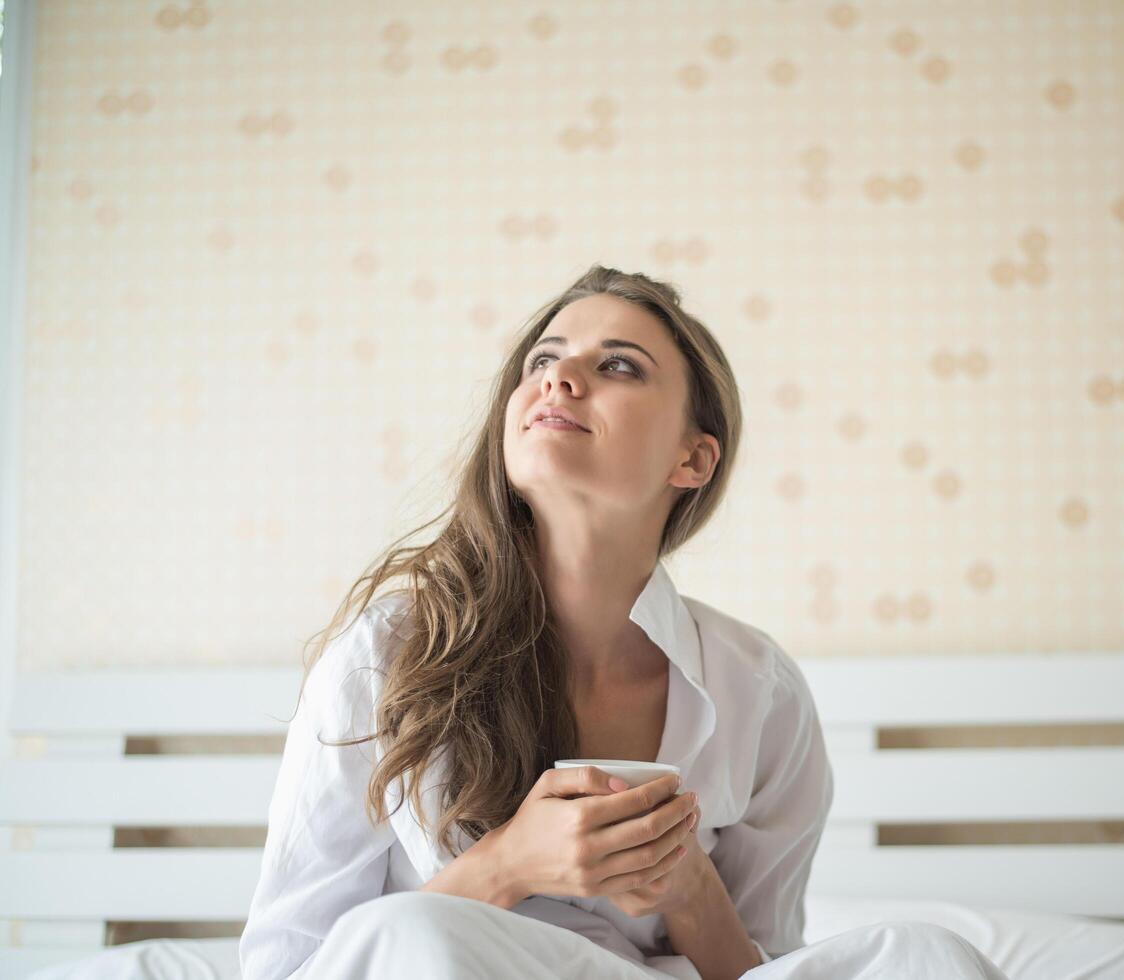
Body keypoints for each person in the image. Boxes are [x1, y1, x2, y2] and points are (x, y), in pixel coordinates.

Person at [237, 265, 1011, 979]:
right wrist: (508, 866)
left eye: (617, 366)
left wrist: (689, 886)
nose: (559, 379)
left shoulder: (757, 690)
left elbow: (763, 969)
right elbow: (290, 964)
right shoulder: (388, 652)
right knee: (411, 934)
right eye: (541, 360)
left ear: (692, 459)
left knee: (925, 956)